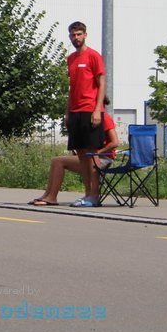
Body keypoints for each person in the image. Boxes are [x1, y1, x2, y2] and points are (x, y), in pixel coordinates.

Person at [29, 105, 120, 206]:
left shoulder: (104, 118)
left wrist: (96, 153)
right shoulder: (86, 118)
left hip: (104, 159)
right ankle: (47, 195)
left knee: (59, 161)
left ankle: (51, 197)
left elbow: (115, 142)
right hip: (89, 156)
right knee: (56, 160)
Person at [58, 21, 106, 206]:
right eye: (72, 35)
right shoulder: (70, 59)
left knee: (92, 155)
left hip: (90, 110)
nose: (75, 38)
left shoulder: (94, 56)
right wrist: (68, 112)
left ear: (85, 35)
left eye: (78, 34)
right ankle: (87, 194)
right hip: (75, 111)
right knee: (81, 155)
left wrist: (97, 110)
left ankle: (95, 195)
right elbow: (73, 88)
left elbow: (101, 83)